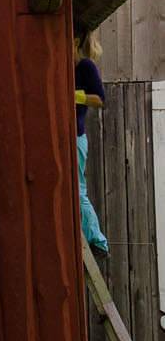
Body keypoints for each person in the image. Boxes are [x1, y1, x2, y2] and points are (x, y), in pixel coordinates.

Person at [75, 30, 110, 256]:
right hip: (69, 138)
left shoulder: (85, 67)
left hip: (76, 137)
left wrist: (74, 96)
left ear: (75, 42)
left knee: (77, 190)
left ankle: (98, 240)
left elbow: (100, 99)